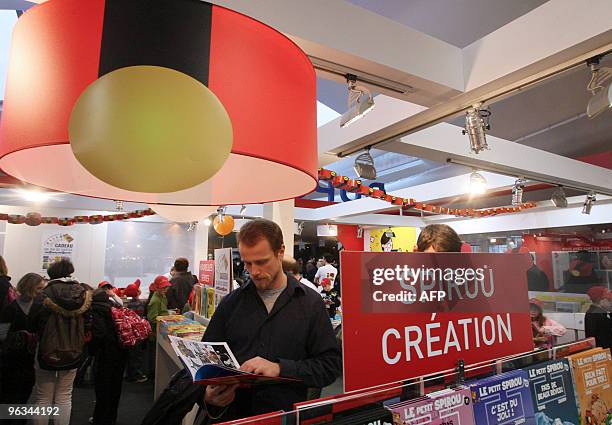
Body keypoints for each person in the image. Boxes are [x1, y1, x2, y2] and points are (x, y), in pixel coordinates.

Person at [198, 219, 341, 421]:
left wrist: (280, 368)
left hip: (284, 416)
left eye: (262, 261)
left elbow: (329, 366)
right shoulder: (231, 303)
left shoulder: (310, 303)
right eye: (248, 263)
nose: (254, 271)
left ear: (280, 251)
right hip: (233, 415)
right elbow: (205, 360)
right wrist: (208, 395)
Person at [31, 259, 92, 425]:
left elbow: (33, 321)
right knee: (65, 395)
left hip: (46, 349)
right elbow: (88, 323)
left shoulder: (45, 293)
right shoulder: (83, 293)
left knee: (43, 397)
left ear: (51, 274)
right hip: (74, 349)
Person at [0, 273, 45, 421]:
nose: (41, 291)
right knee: (11, 394)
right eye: (39, 288)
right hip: (10, 360)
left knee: (24, 392)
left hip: (28, 359)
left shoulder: (38, 307)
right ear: (29, 287)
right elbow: (2, 335)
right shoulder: (11, 308)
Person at [89, 287, 128, 425]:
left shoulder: (96, 310)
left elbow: (99, 334)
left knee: (103, 388)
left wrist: (90, 351)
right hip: (120, 352)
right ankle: (111, 417)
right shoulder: (114, 308)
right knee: (115, 388)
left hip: (105, 354)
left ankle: (100, 419)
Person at [123, 279, 148, 383]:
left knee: (131, 355)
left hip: (130, 333)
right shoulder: (140, 304)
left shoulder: (128, 305)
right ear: (138, 292)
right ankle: (135, 375)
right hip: (138, 332)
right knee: (137, 356)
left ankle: (131, 375)